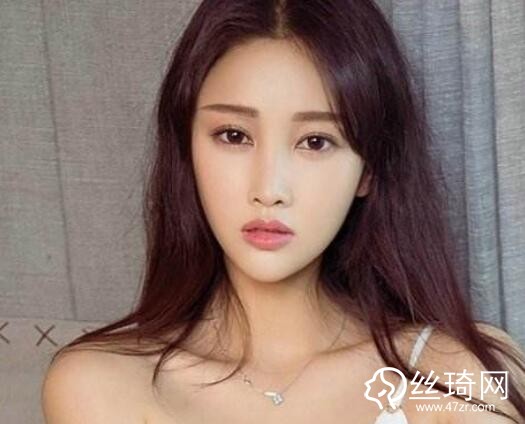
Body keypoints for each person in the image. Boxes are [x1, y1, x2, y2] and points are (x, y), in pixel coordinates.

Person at [41, 0, 525, 423]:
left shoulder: (463, 373)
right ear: (186, 149)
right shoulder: (101, 385)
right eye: (234, 135)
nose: (269, 190)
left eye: (315, 141)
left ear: (368, 171)